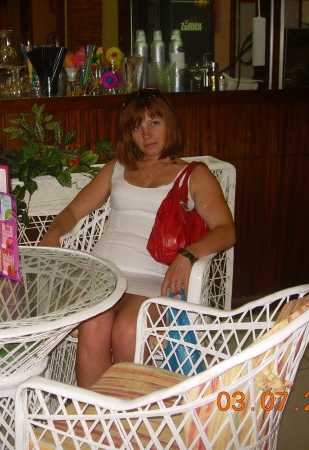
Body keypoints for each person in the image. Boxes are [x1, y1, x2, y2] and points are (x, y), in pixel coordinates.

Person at [39, 88, 236, 388]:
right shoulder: (117, 169)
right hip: (103, 273)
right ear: (129, 134)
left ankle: (128, 410)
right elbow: (73, 212)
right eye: (136, 126)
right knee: (93, 324)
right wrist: (54, 232)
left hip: (152, 275)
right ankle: (95, 411)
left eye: (154, 122)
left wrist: (188, 254)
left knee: (129, 329)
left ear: (169, 124)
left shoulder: (194, 174)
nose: (147, 134)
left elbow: (226, 230)